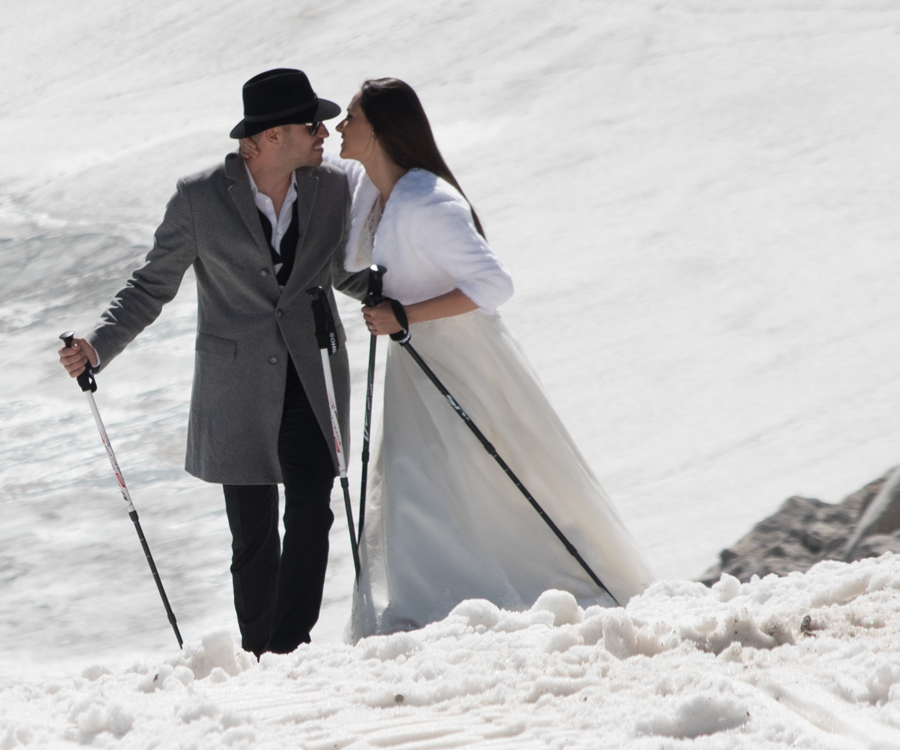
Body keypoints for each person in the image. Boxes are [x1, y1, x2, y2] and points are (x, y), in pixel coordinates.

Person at [58, 68, 366, 656]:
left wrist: (392, 295)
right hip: (237, 387)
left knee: (311, 512)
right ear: (271, 136)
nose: (324, 133)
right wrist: (98, 344)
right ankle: (258, 654)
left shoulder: (330, 188)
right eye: (312, 124)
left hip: (312, 374)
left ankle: (288, 650)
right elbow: (151, 285)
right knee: (253, 537)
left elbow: (340, 270)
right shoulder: (198, 198)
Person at [337, 79, 655, 640]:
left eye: (351, 116)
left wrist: (405, 314)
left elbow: (494, 284)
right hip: (415, 366)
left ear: (380, 130)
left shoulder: (428, 200)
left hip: (462, 361)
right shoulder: (376, 190)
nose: (341, 126)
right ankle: (428, 604)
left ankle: (487, 596)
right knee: (416, 479)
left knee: (486, 478)